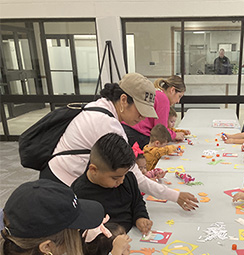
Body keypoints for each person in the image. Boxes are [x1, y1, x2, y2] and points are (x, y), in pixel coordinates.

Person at [39, 72, 198, 211]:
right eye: (140, 111)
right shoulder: (109, 125)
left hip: (59, 174)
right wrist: (175, 196)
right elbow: (134, 176)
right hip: (61, 182)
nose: (143, 117)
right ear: (123, 100)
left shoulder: (100, 106)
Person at [72, 133, 153, 235]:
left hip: (132, 237)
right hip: (108, 247)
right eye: (115, 177)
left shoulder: (128, 178)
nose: (122, 180)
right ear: (93, 170)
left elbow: (137, 203)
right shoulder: (79, 194)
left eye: (124, 174)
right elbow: (84, 234)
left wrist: (140, 217)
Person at [123, 75, 186, 149]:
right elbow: (161, 131)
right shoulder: (163, 99)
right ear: (172, 90)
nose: (178, 101)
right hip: (138, 134)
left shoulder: (157, 92)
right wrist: (175, 135)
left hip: (127, 129)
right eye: (179, 96)